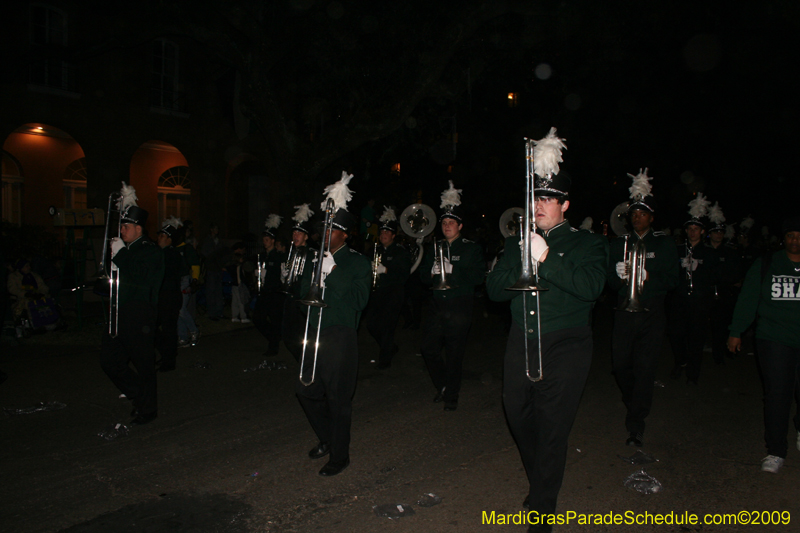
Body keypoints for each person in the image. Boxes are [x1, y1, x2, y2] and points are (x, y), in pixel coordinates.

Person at [486, 130, 607, 533]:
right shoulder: (514, 241)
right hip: (521, 340)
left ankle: (542, 507)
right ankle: (540, 480)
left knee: (553, 426)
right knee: (519, 417)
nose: (538, 205)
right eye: (535, 198)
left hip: (566, 343)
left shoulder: (587, 244)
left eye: (548, 199)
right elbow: (493, 291)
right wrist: (519, 255)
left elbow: (591, 288)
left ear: (565, 205)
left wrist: (547, 257)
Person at [297, 172, 371, 477]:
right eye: (325, 228)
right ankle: (328, 438)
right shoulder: (316, 258)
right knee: (305, 392)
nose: (325, 233)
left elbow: (359, 300)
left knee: (338, 399)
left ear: (345, 234)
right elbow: (303, 292)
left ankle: (340, 456)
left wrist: (334, 271)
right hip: (314, 332)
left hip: (340, 335)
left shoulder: (357, 263)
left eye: (332, 229)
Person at [607, 170, 679, 447]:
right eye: (634, 214)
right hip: (624, 312)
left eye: (643, 214)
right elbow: (610, 284)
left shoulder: (663, 243)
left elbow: (673, 279)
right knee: (621, 366)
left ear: (651, 217)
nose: (637, 218)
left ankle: (636, 423)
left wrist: (648, 277)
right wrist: (618, 275)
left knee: (645, 368)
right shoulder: (618, 244)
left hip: (651, 311)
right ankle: (634, 401)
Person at [728, 217, 800, 474]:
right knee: (778, 394)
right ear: (784, 238)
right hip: (774, 338)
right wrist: (736, 331)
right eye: (791, 235)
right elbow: (748, 298)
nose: (795, 240)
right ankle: (776, 450)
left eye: (799, 236)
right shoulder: (768, 263)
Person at [100, 184, 164, 425]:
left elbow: (139, 276)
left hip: (139, 315)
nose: (122, 230)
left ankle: (148, 408)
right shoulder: (125, 250)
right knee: (109, 361)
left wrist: (120, 255)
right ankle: (139, 394)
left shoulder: (150, 251)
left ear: (138, 228)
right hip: (118, 313)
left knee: (144, 363)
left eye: (126, 226)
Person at [418, 181, 485, 411]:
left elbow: (478, 277)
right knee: (428, 348)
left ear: (460, 226)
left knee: (455, 353)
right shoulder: (434, 247)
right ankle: (444, 385)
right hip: (437, 304)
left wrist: (454, 270)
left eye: (451, 223)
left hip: (459, 305)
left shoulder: (470, 249)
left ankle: (452, 395)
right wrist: (431, 271)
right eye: (444, 223)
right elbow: (423, 279)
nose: (447, 226)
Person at [668, 193, 720, 384]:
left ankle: (693, 372)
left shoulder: (708, 252)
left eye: (696, 229)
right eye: (689, 229)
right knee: (676, 334)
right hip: (680, 299)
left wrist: (701, 267)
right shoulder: (678, 249)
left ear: (702, 231)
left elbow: (715, 276)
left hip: (699, 301)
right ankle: (680, 362)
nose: (692, 232)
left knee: (696, 338)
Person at [364, 207, 412, 369]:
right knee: (371, 323)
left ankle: (385, 358)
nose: (383, 234)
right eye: (382, 231)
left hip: (393, 293)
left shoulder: (400, 252)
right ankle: (389, 347)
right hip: (377, 292)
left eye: (387, 232)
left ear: (393, 235)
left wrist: (385, 270)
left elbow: (403, 275)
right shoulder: (374, 250)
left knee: (387, 326)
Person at [706, 203, 741, 364]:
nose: (718, 234)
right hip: (706, 293)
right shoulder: (704, 251)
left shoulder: (729, 252)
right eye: (715, 232)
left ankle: (718, 356)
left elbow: (734, 274)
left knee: (721, 326)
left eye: (721, 232)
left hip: (724, 294)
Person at [282, 203, 317, 361]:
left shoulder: (311, 254)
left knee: (303, 337)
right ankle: (303, 360)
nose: (295, 235)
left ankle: (308, 362)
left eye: (299, 233)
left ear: (306, 236)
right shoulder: (291, 253)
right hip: (290, 298)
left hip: (302, 300)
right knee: (287, 335)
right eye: (294, 232)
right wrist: (284, 276)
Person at [253, 214, 287, 355]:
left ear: (272, 241)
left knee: (275, 320)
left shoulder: (278, 257)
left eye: (267, 240)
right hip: (264, 292)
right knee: (258, 319)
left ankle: (273, 347)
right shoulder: (262, 256)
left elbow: (282, 275)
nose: (264, 242)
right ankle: (274, 338)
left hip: (274, 293)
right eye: (264, 240)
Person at [154, 217, 184, 372]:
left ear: (169, 240)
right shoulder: (162, 253)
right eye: (159, 236)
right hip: (162, 297)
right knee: (152, 326)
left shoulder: (170, 255)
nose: (159, 239)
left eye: (162, 236)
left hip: (169, 297)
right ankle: (167, 354)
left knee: (168, 330)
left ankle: (169, 360)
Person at [176, 223, 200, 347]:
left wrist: (195, 280)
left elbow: (195, 265)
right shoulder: (173, 249)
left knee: (181, 309)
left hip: (184, 281)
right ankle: (183, 337)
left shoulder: (186, 249)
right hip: (175, 281)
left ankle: (193, 330)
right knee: (178, 310)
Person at [200, 224, 226, 320]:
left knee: (218, 291)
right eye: (215, 228)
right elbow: (205, 253)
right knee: (211, 291)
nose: (217, 230)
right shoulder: (207, 241)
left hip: (218, 268)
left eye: (217, 228)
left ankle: (219, 312)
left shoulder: (219, 241)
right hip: (211, 269)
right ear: (211, 229)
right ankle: (212, 313)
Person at [226, 242, 251, 323]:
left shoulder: (231, 266)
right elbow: (241, 277)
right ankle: (243, 317)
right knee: (241, 301)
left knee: (235, 302)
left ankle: (234, 316)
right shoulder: (239, 267)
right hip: (239, 285)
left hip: (234, 285)